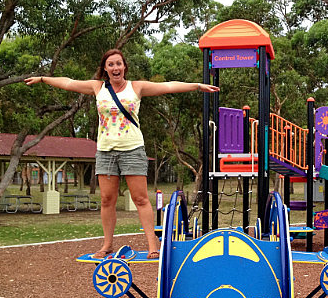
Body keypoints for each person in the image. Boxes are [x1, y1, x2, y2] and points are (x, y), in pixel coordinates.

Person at [25, 48, 219, 259]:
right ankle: (107, 245)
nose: (115, 68)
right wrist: (43, 78)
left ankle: (153, 245)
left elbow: (168, 86)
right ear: (105, 69)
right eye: (111, 64)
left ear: (124, 67)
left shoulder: (137, 87)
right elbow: (69, 83)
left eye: (118, 63)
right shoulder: (98, 87)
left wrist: (197, 86)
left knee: (140, 199)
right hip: (106, 152)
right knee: (107, 199)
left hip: (132, 149)